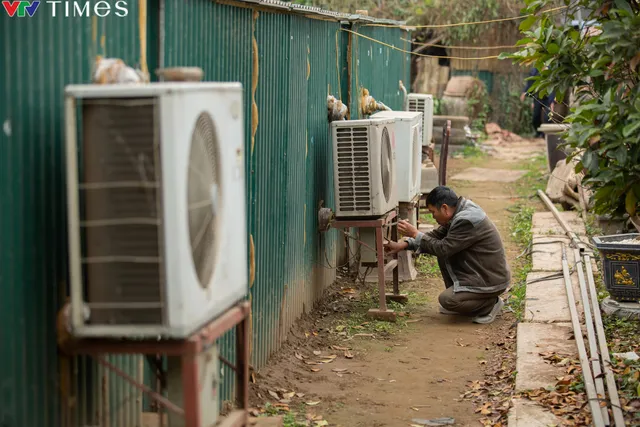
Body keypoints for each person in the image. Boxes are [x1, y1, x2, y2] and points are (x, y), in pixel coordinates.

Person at [384, 186, 510, 324]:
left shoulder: (466, 220)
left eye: (433, 212)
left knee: (447, 300)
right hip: (480, 272)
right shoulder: (459, 211)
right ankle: (467, 300)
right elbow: (437, 236)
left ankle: (490, 304)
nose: (433, 217)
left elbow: (443, 248)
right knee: (443, 256)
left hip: (489, 279)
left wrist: (415, 233)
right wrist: (405, 244)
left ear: (444, 208)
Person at [520, 67, 555, 137]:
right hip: (538, 98)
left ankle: (546, 135)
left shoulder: (551, 70)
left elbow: (553, 88)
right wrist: (524, 92)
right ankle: (539, 133)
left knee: (547, 117)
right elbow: (530, 84)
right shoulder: (535, 70)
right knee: (535, 117)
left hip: (548, 99)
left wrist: (552, 102)